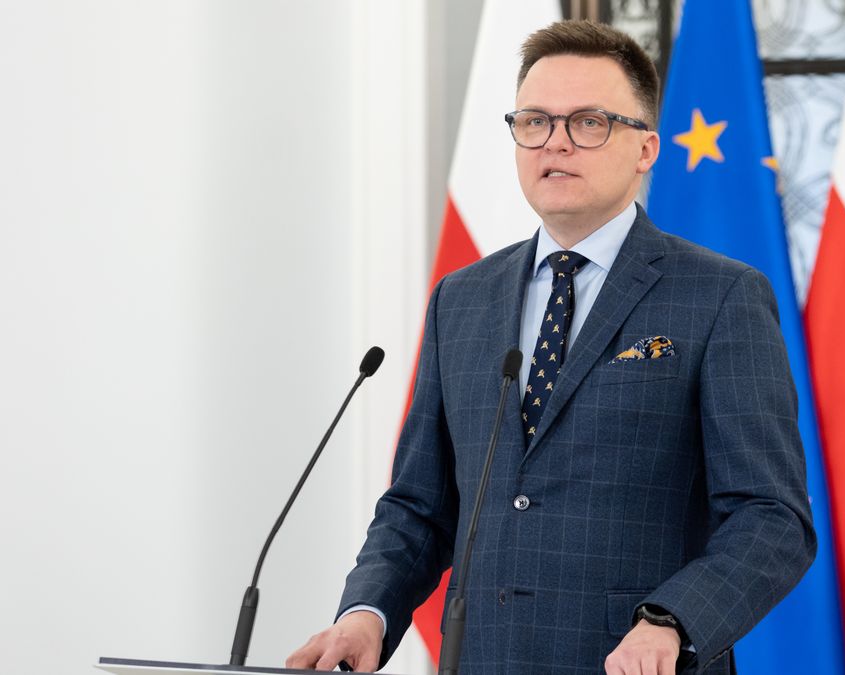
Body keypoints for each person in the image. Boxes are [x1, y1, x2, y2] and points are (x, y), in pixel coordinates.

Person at [287, 20, 815, 675]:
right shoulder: (462, 298)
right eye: (535, 121)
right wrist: (367, 612)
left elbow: (771, 516)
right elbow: (419, 507)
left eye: (589, 122)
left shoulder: (721, 295)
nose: (556, 143)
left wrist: (672, 621)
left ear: (646, 147)